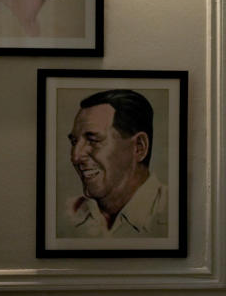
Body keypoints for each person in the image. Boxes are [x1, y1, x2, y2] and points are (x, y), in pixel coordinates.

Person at [63, 89, 168, 238]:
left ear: (139, 147)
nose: (75, 156)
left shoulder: (172, 210)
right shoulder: (68, 213)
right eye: (74, 142)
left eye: (93, 140)